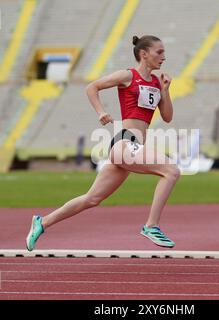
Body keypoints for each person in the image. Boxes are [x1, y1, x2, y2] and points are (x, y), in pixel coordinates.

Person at [26, 35, 180, 250]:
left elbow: (167, 116)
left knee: (91, 199)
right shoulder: (128, 75)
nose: (164, 57)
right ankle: (151, 226)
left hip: (134, 146)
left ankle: (42, 223)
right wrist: (101, 112)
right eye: (159, 52)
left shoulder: (156, 82)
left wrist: (165, 91)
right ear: (144, 54)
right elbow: (92, 87)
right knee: (171, 171)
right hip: (125, 142)